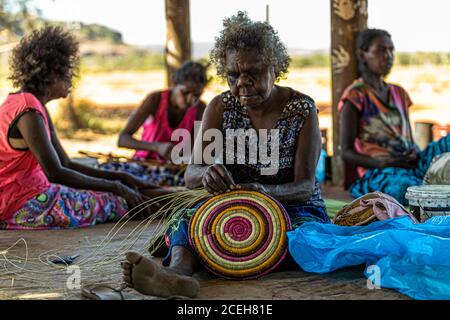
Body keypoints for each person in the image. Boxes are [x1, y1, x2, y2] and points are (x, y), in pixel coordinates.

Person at [119, 12, 329, 298]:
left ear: (275, 67)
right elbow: (192, 174)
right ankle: (177, 275)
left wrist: (263, 192)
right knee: (187, 218)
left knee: (301, 236)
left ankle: (228, 258)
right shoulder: (220, 107)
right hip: (233, 206)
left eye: (253, 73)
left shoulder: (302, 109)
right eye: (233, 74)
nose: (242, 82)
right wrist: (206, 174)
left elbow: (305, 187)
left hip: (292, 207)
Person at [0, 26, 156, 230]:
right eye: (67, 72)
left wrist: (120, 178)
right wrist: (117, 187)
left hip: (23, 195)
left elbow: (65, 163)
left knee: (123, 187)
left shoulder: (29, 104)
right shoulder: (29, 112)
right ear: (51, 73)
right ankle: (182, 209)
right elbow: (55, 172)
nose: (71, 79)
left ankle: (178, 197)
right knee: (123, 203)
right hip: (20, 205)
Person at [339, 28, 449, 205]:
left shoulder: (399, 93)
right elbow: (345, 152)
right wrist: (384, 163)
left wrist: (414, 153)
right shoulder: (356, 96)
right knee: (406, 190)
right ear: (362, 54)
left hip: (412, 162)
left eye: (391, 50)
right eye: (381, 50)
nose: (388, 55)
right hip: (381, 171)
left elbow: (408, 139)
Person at [101, 62, 208, 186]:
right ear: (174, 84)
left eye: (197, 95)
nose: (191, 99)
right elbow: (123, 139)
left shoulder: (200, 109)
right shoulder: (155, 100)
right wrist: (156, 147)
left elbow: (198, 150)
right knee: (112, 175)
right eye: (185, 92)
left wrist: (184, 157)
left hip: (174, 171)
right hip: (143, 164)